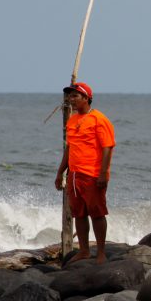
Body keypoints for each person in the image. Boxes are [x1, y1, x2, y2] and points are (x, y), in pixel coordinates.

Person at [55, 82, 116, 265]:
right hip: (74, 174)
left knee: (96, 213)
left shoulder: (99, 119)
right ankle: (83, 250)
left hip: (92, 174)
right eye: (69, 96)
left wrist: (103, 173)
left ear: (86, 98)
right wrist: (60, 173)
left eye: (75, 96)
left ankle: (101, 253)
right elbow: (69, 148)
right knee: (78, 213)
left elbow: (107, 147)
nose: (71, 100)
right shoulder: (72, 120)